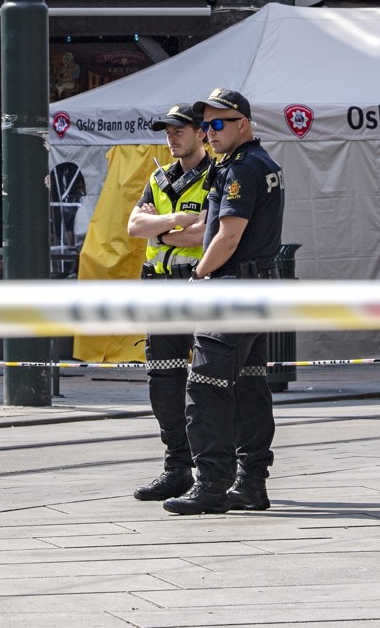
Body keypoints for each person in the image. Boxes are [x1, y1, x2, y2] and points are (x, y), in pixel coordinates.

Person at [165, 88, 286, 515]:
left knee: (205, 389)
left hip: (232, 290)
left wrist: (199, 275)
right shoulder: (260, 163)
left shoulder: (240, 169)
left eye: (218, 124)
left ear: (243, 124)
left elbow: (228, 235)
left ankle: (212, 484)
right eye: (206, 125)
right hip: (258, 287)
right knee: (250, 386)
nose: (209, 133)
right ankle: (252, 482)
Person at [125, 102, 213, 502]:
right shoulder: (159, 179)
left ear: (200, 132)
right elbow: (133, 226)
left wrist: (158, 228)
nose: (172, 136)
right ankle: (176, 466)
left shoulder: (218, 175)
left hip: (197, 286)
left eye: (180, 130)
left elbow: (204, 235)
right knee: (163, 381)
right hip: (158, 289)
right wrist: (177, 221)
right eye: (167, 130)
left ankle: (212, 468)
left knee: (208, 383)